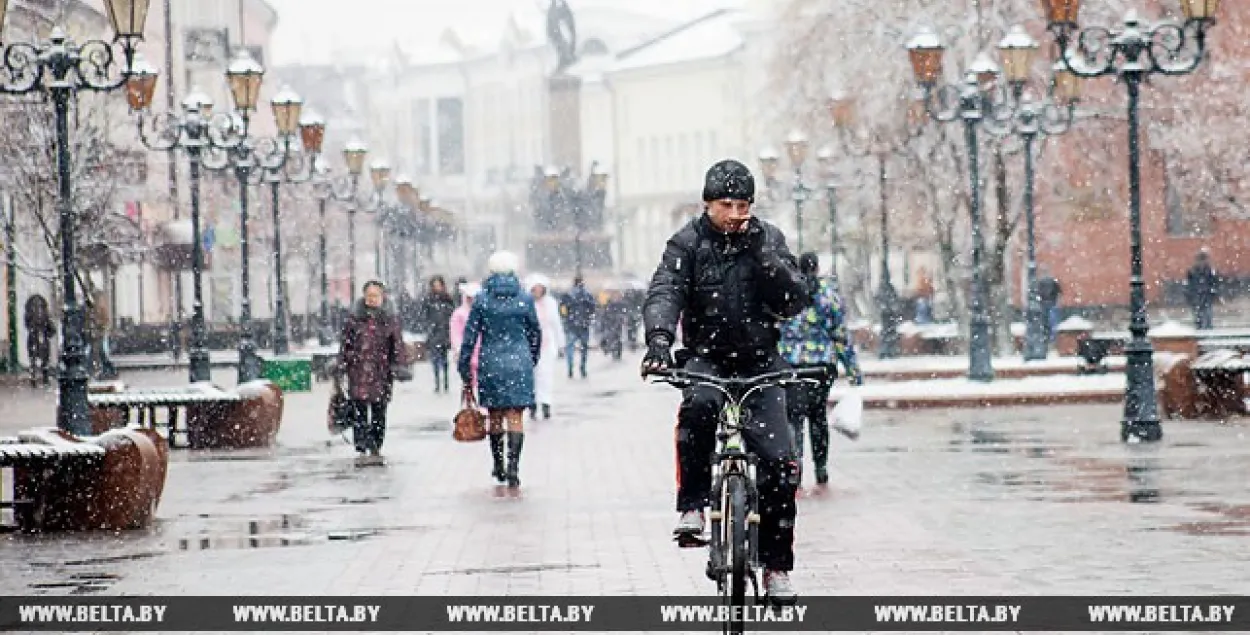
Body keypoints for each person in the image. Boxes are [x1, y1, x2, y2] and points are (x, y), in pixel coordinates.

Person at [640, 158, 810, 602]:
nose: (737, 214)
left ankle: (776, 568)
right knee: (696, 409)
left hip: (760, 362)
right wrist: (659, 340)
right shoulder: (687, 243)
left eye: (744, 205)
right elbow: (665, 291)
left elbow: (793, 301)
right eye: (727, 205)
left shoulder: (768, 238)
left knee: (779, 462)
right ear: (708, 204)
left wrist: (764, 258)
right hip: (707, 358)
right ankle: (693, 507)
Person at [778, 253, 862, 487]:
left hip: (792, 364)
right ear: (817, 268)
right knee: (817, 417)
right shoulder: (828, 296)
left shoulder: (787, 293)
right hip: (821, 366)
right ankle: (821, 467)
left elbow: (775, 329)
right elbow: (840, 335)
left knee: (793, 417)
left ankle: (795, 465)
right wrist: (853, 370)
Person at [459, 252, 541, 488]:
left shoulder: (483, 300)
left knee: (495, 414)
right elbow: (535, 332)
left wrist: (465, 366)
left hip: (491, 362)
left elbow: (470, 336)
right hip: (519, 362)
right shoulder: (525, 299)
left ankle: (499, 464)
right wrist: (530, 357)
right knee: (515, 415)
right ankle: (514, 468)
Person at [335, 280, 408, 465]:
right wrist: (342, 362)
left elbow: (397, 344)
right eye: (369, 296)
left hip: (381, 371)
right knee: (358, 409)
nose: (372, 299)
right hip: (357, 369)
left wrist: (399, 365)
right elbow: (345, 343)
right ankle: (360, 445)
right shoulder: (354, 318)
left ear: (382, 297)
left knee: (379, 409)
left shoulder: (390, 319)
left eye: (375, 296)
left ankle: (375, 444)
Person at [526, 273, 565, 420]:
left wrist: (561, 344)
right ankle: (532, 404)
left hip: (547, 344)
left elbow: (556, 324)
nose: (537, 292)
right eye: (534, 289)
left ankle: (546, 403)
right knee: (532, 377)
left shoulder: (550, 303)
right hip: (530, 345)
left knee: (546, 375)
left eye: (539, 289)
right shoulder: (527, 303)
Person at [418, 275, 456, 393]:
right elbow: (423, 315)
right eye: (435, 285)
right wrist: (428, 326)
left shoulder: (447, 299)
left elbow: (453, 315)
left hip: (444, 332)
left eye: (439, 285)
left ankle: (445, 382)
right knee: (435, 359)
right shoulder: (428, 299)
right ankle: (437, 383)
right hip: (434, 333)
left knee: (444, 359)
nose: (437, 287)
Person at [560, 275, 596, 378]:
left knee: (570, 347)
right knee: (584, 348)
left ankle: (570, 367)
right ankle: (582, 367)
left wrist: (566, 319)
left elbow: (563, 309)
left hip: (571, 324)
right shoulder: (587, 295)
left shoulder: (567, 294)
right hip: (584, 324)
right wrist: (588, 318)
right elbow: (593, 308)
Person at [450, 282, 482, 393]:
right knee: (471, 385)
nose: (472, 300)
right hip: (468, 355)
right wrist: (459, 350)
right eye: (469, 297)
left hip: (483, 355)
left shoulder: (484, 312)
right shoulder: (459, 314)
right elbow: (455, 334)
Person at [24, 294, 55, 387]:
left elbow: (27, 324)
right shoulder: (44, 313)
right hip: (41, 337)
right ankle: (44, 379)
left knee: (34, 359)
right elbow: (51, 327)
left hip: (34, 337)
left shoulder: (29, 312)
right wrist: (48, 333)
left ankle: (34, 378)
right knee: (44, 359)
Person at [1187, 249, 1218, 330]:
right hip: (1197, 297)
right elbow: (1189, 284)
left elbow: (1214, 283)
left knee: (1206, 317)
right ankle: (1202, 330)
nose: (1202, 262)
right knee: (1199, 318)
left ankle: (1206, 331)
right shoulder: (1193, 271)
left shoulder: (1210, 271)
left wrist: (1211, 292)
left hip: (1205, 297)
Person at [1037, 269, 1063, 342]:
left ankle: (1046, 337)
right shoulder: (1053, 281)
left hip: (1044, 304)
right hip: (1052, 303)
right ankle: (1052, 338)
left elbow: (1038, 293)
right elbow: (1059, 292)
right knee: (1052, 321)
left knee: (1045, 321)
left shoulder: (1041, 282)